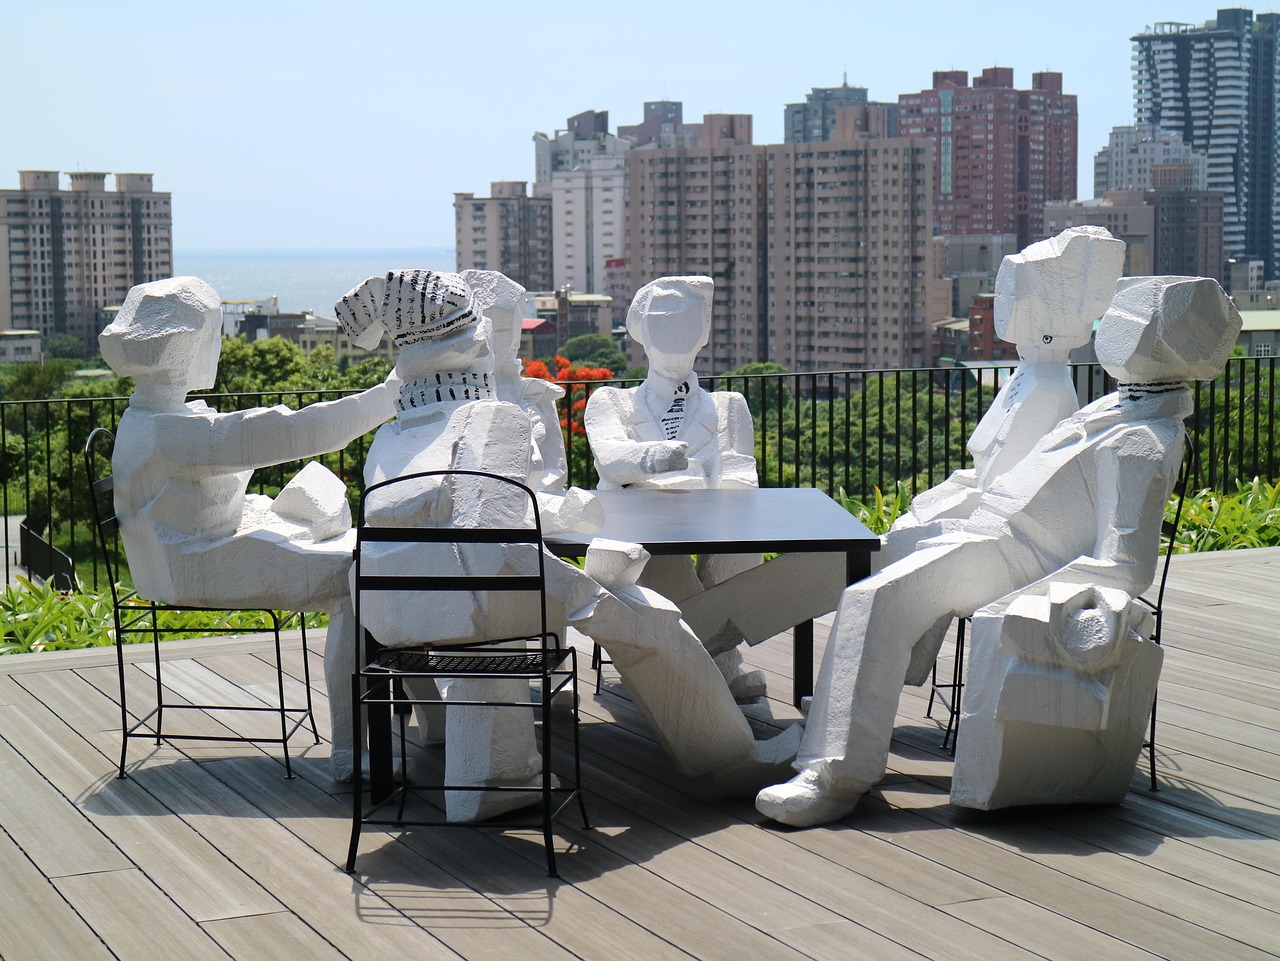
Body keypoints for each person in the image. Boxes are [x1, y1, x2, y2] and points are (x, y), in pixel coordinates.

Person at [755, 275, 1241, 827]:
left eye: (1127, 320)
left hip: (1016, 557)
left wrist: (1010, 603)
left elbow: (1126, 564)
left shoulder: (1141, 440)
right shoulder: (1112, 411)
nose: (1108, 330)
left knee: (877, 598)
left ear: (1156, 340)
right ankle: (841, 715)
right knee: (871, 563)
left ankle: (834, 775)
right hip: (987, 534)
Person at [333, 270, 799, 816]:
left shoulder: (395, 432)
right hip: (473, 605)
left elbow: (459, 517)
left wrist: (570, 527)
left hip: (389, 608)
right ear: (477, 343)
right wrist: (583, 588)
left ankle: (494, 775)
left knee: (614, 596)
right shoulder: (493, 419)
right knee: (653, 620)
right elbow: (494, 546)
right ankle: (733, 759)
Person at [98, 276, 398, 782]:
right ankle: (353, 752)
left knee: (357, 554)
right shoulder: (171, 432)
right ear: (193, 345)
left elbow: (237, 445)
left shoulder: (155, 418)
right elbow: (297, 432)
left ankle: (420, 721)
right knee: (358, 578)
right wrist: (389, 395)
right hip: (190, 564)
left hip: (194, 547)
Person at [882, 225, 1125, 684]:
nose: (1005, 307)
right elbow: (987, 473)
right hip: (994, 518)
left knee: (893, 552)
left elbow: (1007, 489)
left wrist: (946, 504)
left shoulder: (1046, 390)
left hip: (1010, 535)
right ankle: (897, 669)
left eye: (1016, 295)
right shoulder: (1027, 377)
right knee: (896, 541)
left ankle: (891, 673)